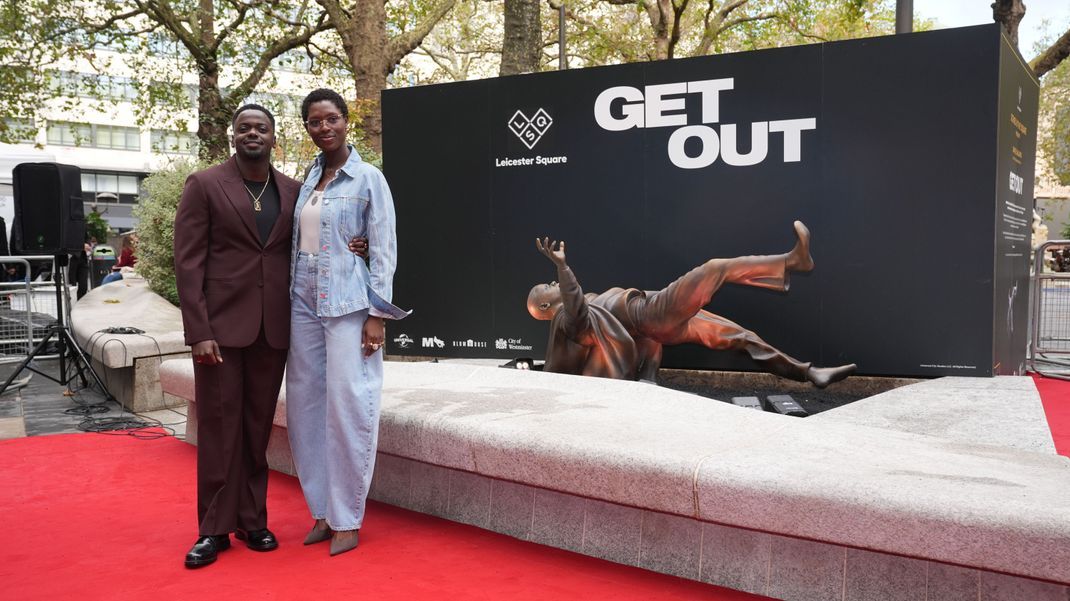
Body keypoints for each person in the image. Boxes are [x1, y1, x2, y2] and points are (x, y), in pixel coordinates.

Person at [286, 88, 408, 557]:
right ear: (308, 128)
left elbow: (383, 248)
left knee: (348, 404)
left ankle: (347, 517)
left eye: (331, 119)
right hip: (302, 304)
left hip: (348, 305)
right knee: (304, 407)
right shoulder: (311, 177)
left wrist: (378, 315)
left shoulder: (368, 178)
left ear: (345, 121)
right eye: (314, 121)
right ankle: (321, 509)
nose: (323, 128)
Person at [528, 221, 855, 386]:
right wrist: (564, 268)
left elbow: (633, 338)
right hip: (652, 315)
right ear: (545, 308)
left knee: (738, 337)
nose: (553, 283)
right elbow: (577, 313)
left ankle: (810, 373)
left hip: (654, 319)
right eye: (547, 286)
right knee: (715, 268)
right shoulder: (565, 322)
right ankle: (791, 262)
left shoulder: (587, 308)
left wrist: (649, 378)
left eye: (552, 279)